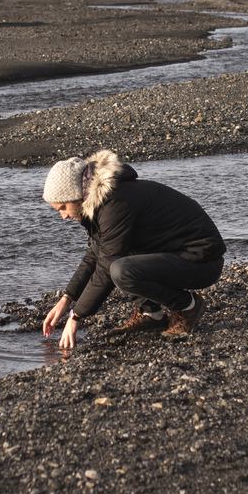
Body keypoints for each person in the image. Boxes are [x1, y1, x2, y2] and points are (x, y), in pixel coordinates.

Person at [40, 149, 226, 351]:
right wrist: (66, 299)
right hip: (177, 254)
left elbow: (106, 265)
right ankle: (151, 315)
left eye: (63, 207)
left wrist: (76, 316)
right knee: (119, 260)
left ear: (75, 195)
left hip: (202, 261)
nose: (64, 216)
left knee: (120, 270)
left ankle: (187, 306)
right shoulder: (102, 200)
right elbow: (95, 255)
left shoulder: (116, 203)